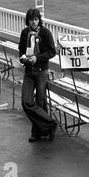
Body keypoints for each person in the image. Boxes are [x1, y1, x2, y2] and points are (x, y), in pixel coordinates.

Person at [18, 8, 58, 142]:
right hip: (29, 71)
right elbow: (21, 50)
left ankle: (37, 132)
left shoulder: (45, 33)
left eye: (36, 19)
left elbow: (52, 51)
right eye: (31, 20)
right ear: (28, 20)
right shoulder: (25, 33)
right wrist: (23, 58)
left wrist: (37, 58)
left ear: (39, 20)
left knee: (40, 103)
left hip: (41, 71)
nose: (34, 22)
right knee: (26, 101)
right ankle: (50, 123)